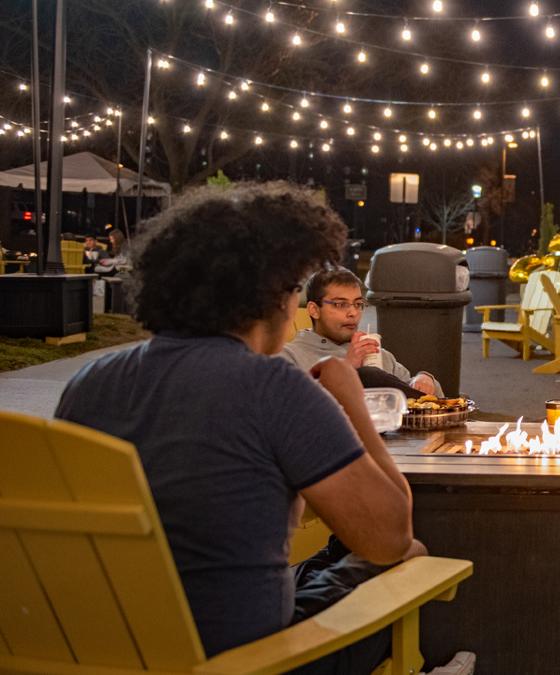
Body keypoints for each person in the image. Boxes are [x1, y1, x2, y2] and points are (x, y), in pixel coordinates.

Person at [55, 182, 421, 672]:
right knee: (407, 558)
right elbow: (390, 535)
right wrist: (352, 402)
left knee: (327, 558)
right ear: (272, 297)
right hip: (247, 659)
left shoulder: (88, 384)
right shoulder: (274, 387)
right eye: (295, 289)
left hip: (114, 645)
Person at [281, 266, 443, 397]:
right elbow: (290, 412)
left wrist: (425, 378)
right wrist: (346, 369)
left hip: (401, 435)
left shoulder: (377, 354)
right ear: (314, 310)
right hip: (333, 436)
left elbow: (427, 399)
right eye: (340, 304)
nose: (353, 313)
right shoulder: (290, 357)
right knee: (368, 375)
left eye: (358, 304)